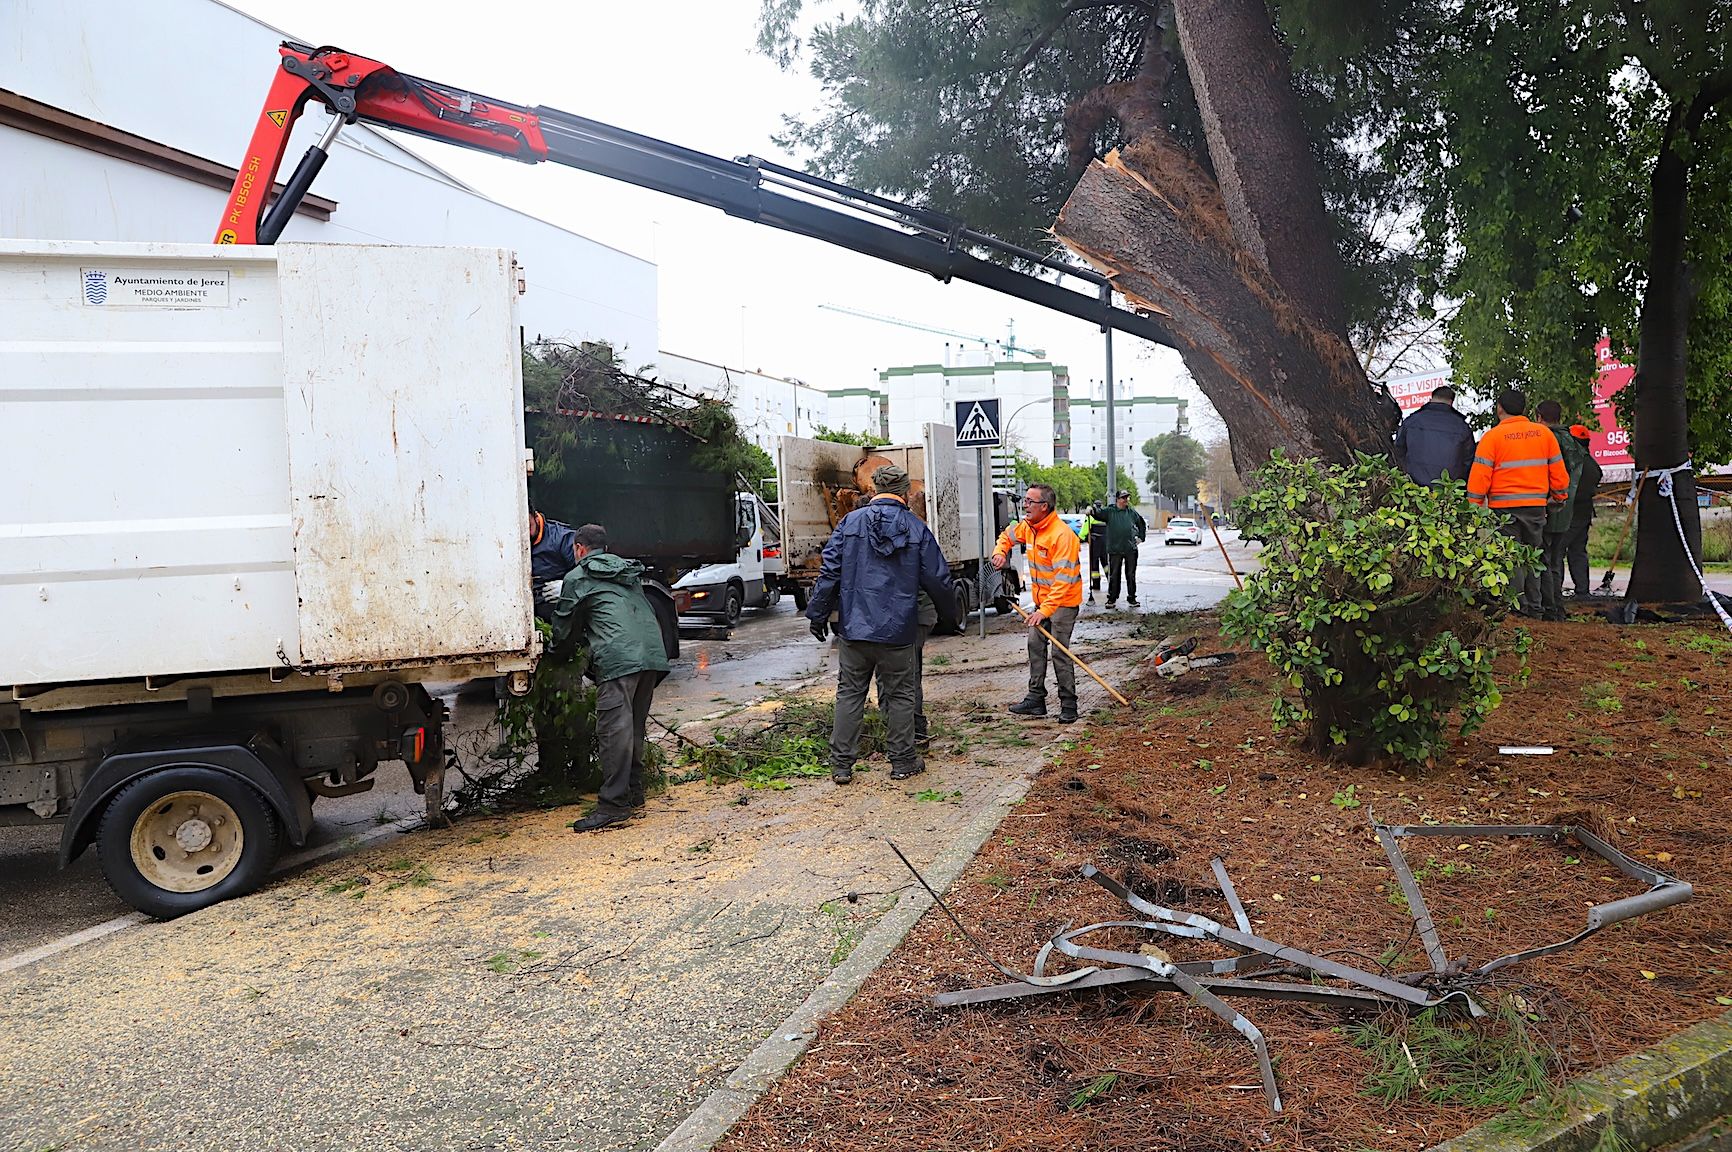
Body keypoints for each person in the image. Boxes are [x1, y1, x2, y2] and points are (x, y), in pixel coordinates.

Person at [805, 465, 958, 784]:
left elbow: (829, 572)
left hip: (855, 628)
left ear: (873, 490)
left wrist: (818, 614)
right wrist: (950, 616)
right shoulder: (916, 528)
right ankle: (902, 762)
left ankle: (841, 766)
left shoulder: (850, 523)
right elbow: (939, 580)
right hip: (898, 630)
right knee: (901, 694)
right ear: (905, 493)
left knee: (849, 694)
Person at [550, 523, 671, 832]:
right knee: (632, 727)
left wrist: (559, 654)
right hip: (652, 652)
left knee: (613, 732)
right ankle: (633, 793)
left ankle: (613, 806)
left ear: (578, 548)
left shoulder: (577, 578)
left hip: (620, 659)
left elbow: (563, 627)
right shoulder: (625, 572)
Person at [1466, 389, 1570, 616]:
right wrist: (1559, 497)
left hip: (1503, 509)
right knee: (1532, 556)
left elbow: (1480, 476)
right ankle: (1535, 608)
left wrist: (1473, 506)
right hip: (1535, 507)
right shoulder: (1543, 435)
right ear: (1524, 409)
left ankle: (1516, 608)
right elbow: (1559, 473)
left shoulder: (1492, 437)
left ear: (1499, 408)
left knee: (1511, 557)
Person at [993, 482, 1085, 723]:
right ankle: (1036, 699)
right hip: (1043, 603)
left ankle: (1069, 704)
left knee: (1059, 652)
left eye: (1030, 502)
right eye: (1025, 500)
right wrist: (1000, 552)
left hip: (1063, 603)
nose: (1025, 505)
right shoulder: (1029, 527)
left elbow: (1063, 581)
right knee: (1035, 644)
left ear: (1044, 506)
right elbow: (1007, 535)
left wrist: (1044, 611)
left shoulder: (1061, 535)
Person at [1536, 400, 1590, 620]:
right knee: (1556, 560)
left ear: (1539, 416)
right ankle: (1557, 606)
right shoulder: (1572, 441)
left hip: (1550, 507)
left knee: (1544, 561)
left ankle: (1549, 607)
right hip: (1566, 511)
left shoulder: (1548, 440)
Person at [1392, 384, 1475, 485]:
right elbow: (1468, 461)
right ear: (1451, 402)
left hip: (1414, 489)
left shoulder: (1411, 421)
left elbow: (1398, 451)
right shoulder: (1462, 427)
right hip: (1447, 490)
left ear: (1431, 398)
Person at [1564, 424, 1603, 596]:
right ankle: (1582, 590)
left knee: (1556, 553)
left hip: (1570, 514)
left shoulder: (1573, 462)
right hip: (1584, 513)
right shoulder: (1591, 463)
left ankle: (1553, 593)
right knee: (1578, 551)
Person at [529, 505, 580, 622]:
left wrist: (569, 588)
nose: (525, 533)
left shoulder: (561, 539)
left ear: (536, 517)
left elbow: (590, 570)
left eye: (529, 526)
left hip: (560, 608)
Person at [1098, 490, 1147, 609]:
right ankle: (1112, 598)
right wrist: (1092, 511)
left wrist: (1141, 537)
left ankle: (1132, 598)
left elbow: (1141, 524)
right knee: (1114, 574)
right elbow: (1098, 514)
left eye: (1127, 498)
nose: (1125, 500)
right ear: (1117, 499)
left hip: (1130, 548)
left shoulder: (1131, 513)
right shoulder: (1110, 512)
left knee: (1130, 574)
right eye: (1123, 498)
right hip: (1115, 548)